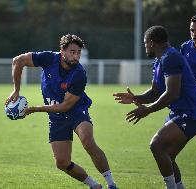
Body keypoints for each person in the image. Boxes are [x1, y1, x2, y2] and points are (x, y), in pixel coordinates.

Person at [6, 34, 118, 189]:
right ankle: (94, 185)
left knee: (88, 142)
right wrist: (16, 90)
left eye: (78, 52)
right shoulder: (49, 59)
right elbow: (18, 61)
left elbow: (65, 106)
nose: (76, 56)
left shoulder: (79, 74)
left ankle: (111, 184)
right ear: (62, 51)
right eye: (72, 51)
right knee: (62, 162)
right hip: (56, 117)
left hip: (76, 110)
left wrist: (33, 109)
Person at [113, 26, 196, 189]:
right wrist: (135, 98)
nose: (145, 47)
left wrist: (147, 110)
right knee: (167, 156)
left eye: (144, 44)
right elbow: (156, 91)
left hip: (193, 113)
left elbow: (172, 94)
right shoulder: (159, 60)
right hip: (179, 112)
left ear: (151, 42)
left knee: (156, 144)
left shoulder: (171, 57)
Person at [180, 15, 196, 159]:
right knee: (164, 144)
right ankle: (174, 182)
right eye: (192, 30)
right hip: (190, 104)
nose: (194, 34)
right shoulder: (185, 47)